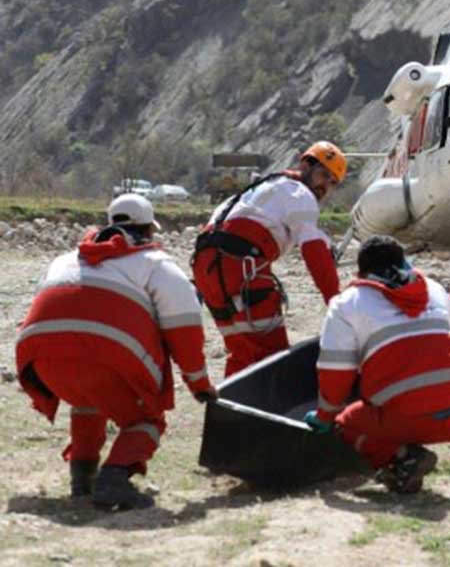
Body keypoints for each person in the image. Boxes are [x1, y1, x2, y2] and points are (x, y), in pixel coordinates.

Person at [15, 194, 215, 510]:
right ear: (149, 230)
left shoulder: (65, 260)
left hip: (39, 358)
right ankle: (116, 477)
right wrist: (199, 384)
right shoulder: (156, 265)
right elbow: (185, 332)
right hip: (106, 355)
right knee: (146, 419)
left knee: (87, 400)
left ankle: (82, 478)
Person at [308, 236, 450, 493]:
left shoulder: (347, 303)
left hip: (407, 416)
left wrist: (325, 416)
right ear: (405, 261)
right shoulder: (434, 289)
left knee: (344, 423)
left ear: (361, 271)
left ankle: (402, 458)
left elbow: (336, 374)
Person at [191, 141, 346, 375]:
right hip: (241, 266)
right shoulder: (300, 193)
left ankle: (226, 409)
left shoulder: (262, 188)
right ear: (305, 165)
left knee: (242, 352)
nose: (325, 185)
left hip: (206, 269)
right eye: (324, 175)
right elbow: (314, 253)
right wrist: (337, 305)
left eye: (332, 182)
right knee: (271, 358)